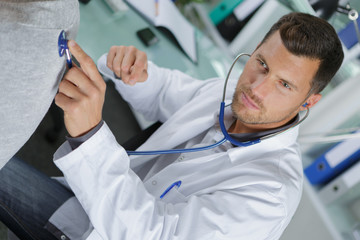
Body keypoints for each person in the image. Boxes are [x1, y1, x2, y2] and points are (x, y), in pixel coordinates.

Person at [0, 12, 344, 240]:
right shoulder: (227, 95)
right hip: (88, 205)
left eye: (285, 85)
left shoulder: (269, 195)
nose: (257, 88)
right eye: (262, 65)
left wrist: (90, 137)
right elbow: (163, 91)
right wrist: (133, 70)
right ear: (253, 51)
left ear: (309, 101)